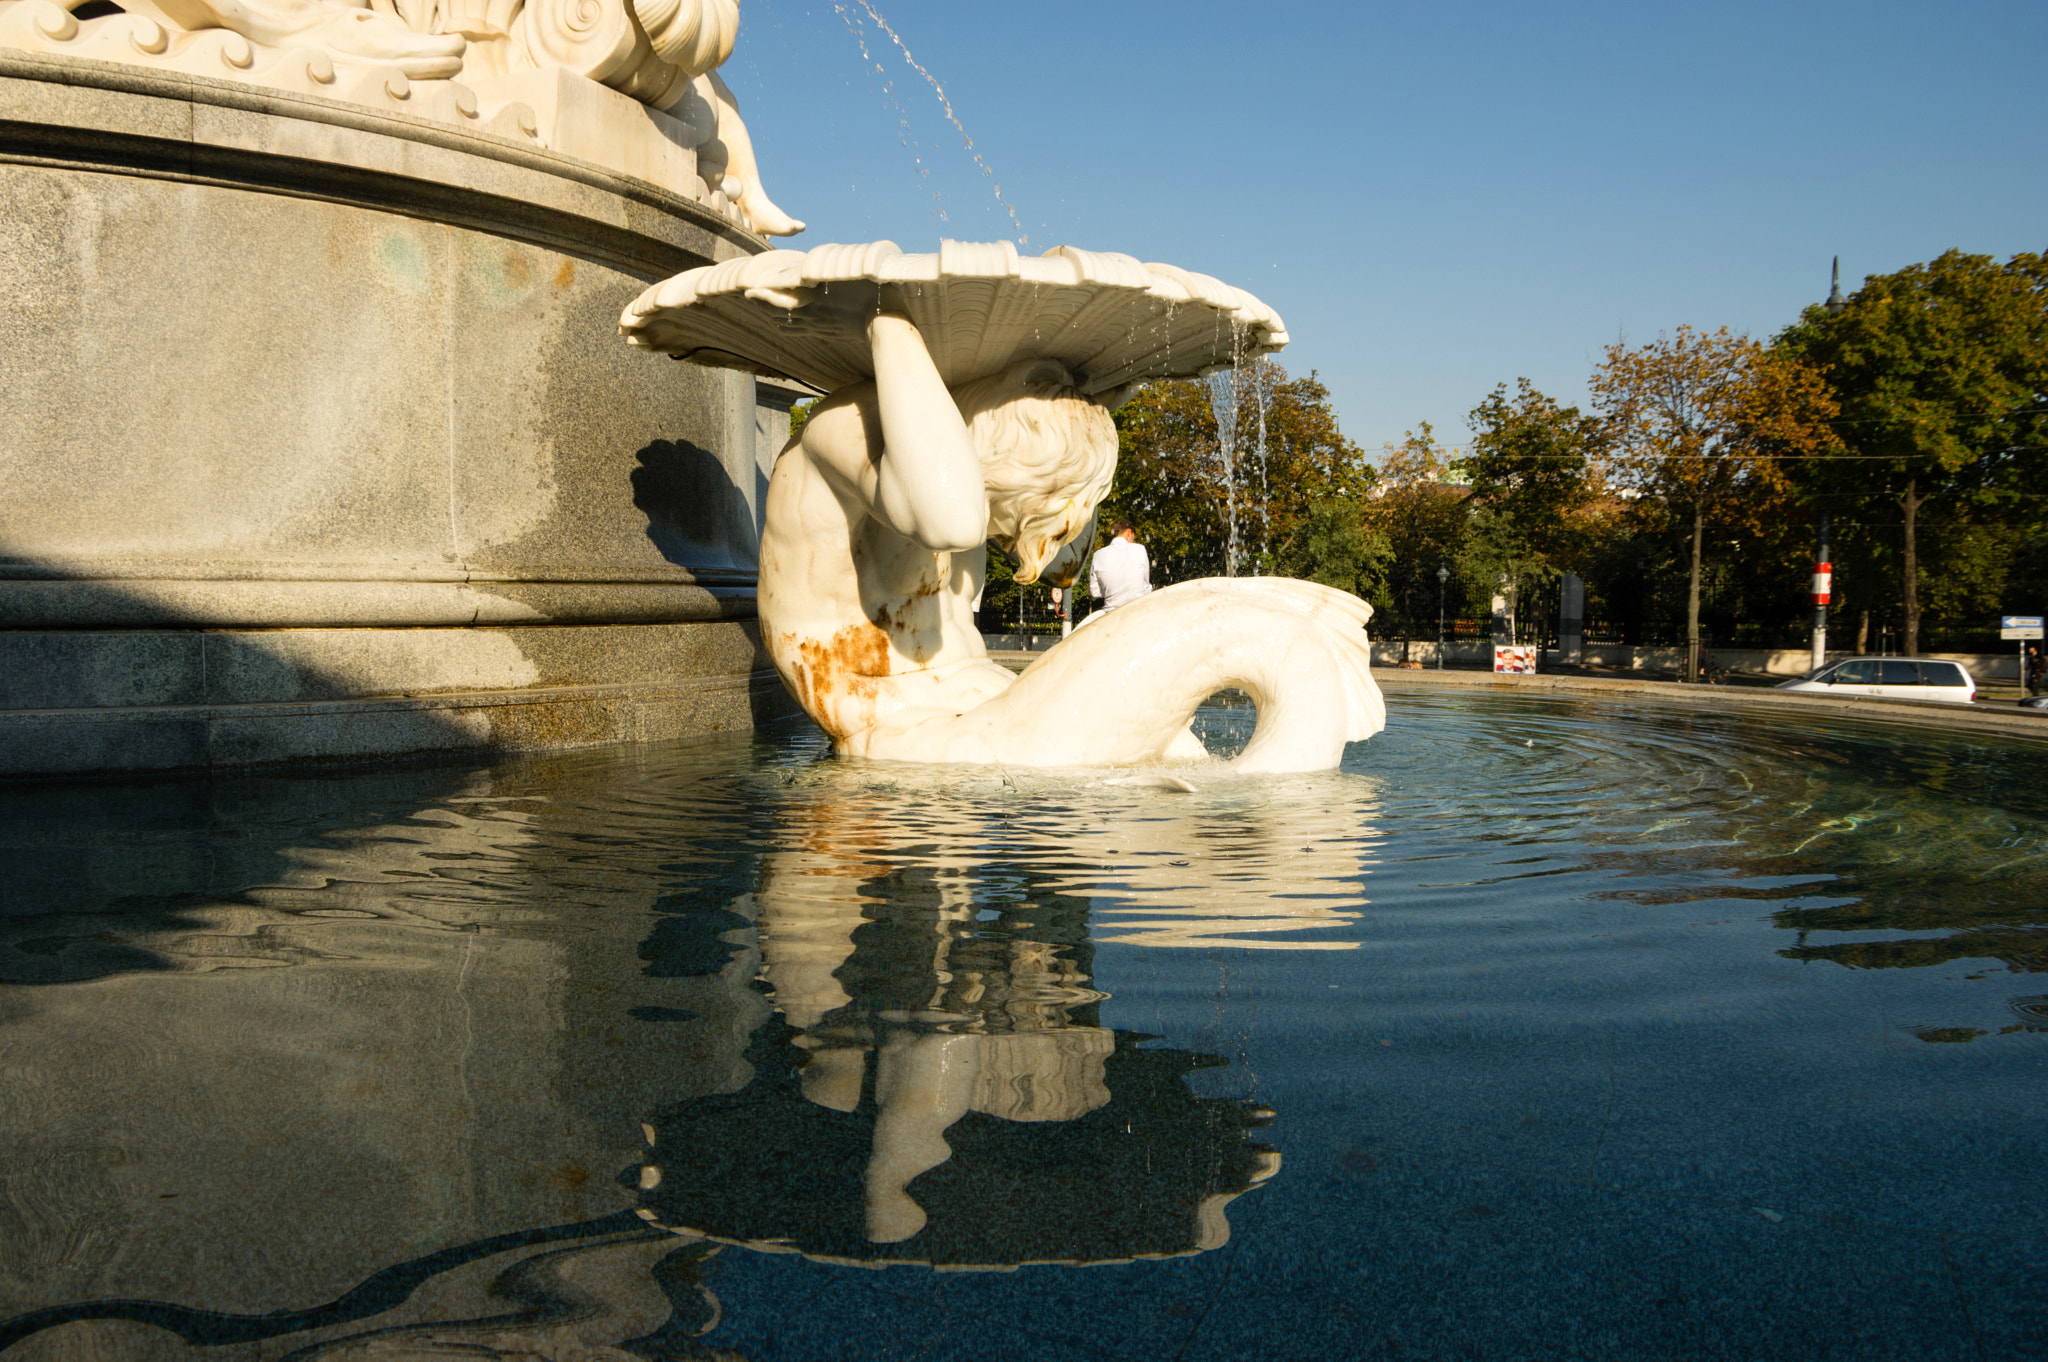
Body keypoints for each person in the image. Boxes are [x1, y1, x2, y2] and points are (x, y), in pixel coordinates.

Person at [1088, 519, 1152, 612]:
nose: (1133, 541)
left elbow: (1094, 592)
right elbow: (1146, 587)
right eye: (1133, 538)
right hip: (1137, 611)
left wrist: (1111, 591)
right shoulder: (1140, 549)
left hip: (1111, 613)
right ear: (1129, 532)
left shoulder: (1098, 555)